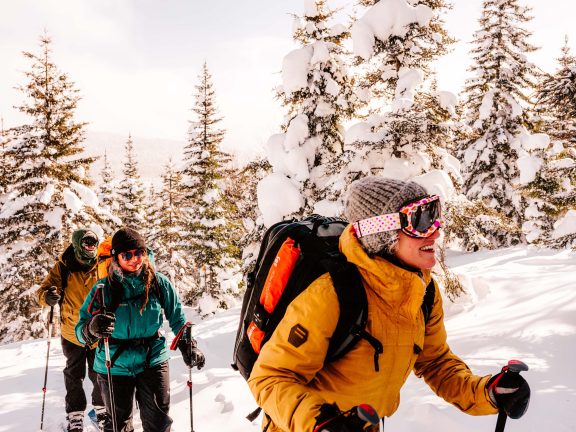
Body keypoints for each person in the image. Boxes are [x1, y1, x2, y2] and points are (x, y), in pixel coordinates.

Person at [248, 176, 530, 432]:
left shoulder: (422, 292)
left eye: (435, 215)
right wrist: (321, 423)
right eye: (420, 221)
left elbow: (436, 363)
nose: (435, 232)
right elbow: (270, 378)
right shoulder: (333, 294)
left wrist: (487, 393)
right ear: (381, 233)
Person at [75, 227, 205, 432]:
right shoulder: (103, 289)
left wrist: (188, 345)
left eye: (140, 253)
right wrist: (92, 328)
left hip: (152, 359)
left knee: (158, 425)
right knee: (119, 427)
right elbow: (80, 331)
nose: (135, 259)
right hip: (113, 364)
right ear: (116, 257)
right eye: (127, 254)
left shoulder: (158, 282)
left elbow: (177, 317)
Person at [36, 229, 107, 432]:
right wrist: (47, 297)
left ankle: (101, 411)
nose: (91, 246)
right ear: (78, 244)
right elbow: (43, 290)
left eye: (94, 242)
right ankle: (75, 415)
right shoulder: (64, 266)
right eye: (87, 243)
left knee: (99, 372)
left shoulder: (102, 264)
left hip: (97, 332)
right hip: (72, 332)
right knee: (74, 374)